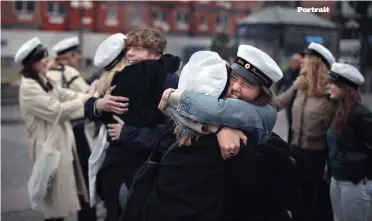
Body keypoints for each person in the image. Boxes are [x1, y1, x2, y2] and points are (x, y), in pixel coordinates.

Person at [142, 46, 288, 221]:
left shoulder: (250, 126)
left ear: (262, 93)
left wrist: (172, 96)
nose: (235, 87)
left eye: (247, 84)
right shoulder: (184, 130)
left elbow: (220, 110)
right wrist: (216, 129)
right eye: (233, 78)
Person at [85, 32, 181, 221]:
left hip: (146, 169)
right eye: (128, 49)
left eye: (137, 49)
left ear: (156, 54)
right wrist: (98, 105)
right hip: (116, 166)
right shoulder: (125, 75)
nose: (129, 53)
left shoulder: (169, 82)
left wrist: (128, 133)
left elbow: (174, 133)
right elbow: (90, 108)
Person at [16, 37, 93, 221]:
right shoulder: (29, 87)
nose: (46, 61)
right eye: (40, 58)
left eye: (45, 56)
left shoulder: (43, 79)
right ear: (31, 63)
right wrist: (92, 104)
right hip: (47, 148)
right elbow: (56, 110)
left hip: (59, 144)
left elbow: (65, 94)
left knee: (61, 197)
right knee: (53, 203)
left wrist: (89, 97)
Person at [274, 42, 336, 221]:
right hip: (296, 154)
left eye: (306, 61)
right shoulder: (299, 86)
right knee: (298, 205)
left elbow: (338, 133)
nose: (302, 63)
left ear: (316, 64)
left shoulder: (331, 93)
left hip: (318, 159)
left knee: (318, 208)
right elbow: (278, 103)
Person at [47, 36, 97, 221]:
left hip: (53, 133)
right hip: (74, 133)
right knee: (85, 180)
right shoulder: (69, 73)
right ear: (71, 56)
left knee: (55, 182)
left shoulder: (47, 73)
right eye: (77, 56)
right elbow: (89, 98)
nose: (78, 60)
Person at [326, 63, 372, 221]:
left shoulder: (361, 114)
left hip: (353, 182)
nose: (329, 86)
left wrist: (367, 175)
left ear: (345, 89)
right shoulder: (336, 110)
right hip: (336, 179)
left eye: (334, 84)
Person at [275, 53, 302, 143]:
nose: (296, 63)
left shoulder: (301, 73)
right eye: (294, 61)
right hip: (288, 99)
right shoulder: (286, 72)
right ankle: (290, 142)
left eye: (298, 61)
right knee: (291, 123)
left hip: (298, 99)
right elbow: (279, 84)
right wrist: (276, 94)